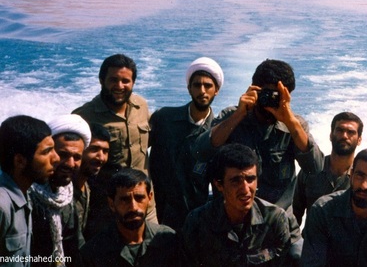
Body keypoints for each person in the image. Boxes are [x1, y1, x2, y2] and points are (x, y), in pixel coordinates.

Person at [193, 59, 323, 209]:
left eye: (277, 96)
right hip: (233, 214)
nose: (271, 101)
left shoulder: (295, 126)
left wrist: (290, 122)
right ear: (254, 89)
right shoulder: (231, 117)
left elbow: (315, 167)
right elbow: (200, 152)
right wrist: (238, 115)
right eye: (266, 94)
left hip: (276, 217)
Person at [72, 53, 156, 223]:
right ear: (101, 80)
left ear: (133, 83)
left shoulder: (141, 106)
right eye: (113, 80)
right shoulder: (84, 116)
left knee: (154, 240)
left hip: (145, 205)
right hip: (107, 209)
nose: (119, 86)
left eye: (125, 81)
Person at [181, 143, 293, 267]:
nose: (245, 189)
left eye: (250, 179)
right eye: (235, 181)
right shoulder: (197, 223)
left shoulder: (274, 220)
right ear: (219, 185)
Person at [149, 57, 223, 230]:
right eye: (197, 85)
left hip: (197, 219)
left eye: (208, 86)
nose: (202, 91)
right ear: (189, 88)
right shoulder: (164, 118)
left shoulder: (218, 132)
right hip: (158, 214)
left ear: (216, 90)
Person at [80, 168, 177, 267]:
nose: (133, 207)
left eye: (139, 198)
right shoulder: (94, 252)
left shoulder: (168, 240)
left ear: (149, 198)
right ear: (112, 203)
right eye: (125, 200)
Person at [30, 114, 91, 266]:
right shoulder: (26, 192)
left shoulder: (66, 195)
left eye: (77, 157)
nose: (70, 163)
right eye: (63, 155)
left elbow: (76, 245)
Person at [0, 115, 59, 267]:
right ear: (20, 161)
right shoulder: (3, 205)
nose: (56, 158)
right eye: (46, 152)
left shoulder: (25, 193)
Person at [292, 112, 363, 225]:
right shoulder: (310, 170)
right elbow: (294, 214)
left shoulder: (363, 178)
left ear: (359, 140)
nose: (344, 136)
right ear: (331, 135)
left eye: (351, 132)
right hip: (312, 236)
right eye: (339, 130)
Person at [73, 123, 110, 242]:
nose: (101, 158)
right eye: (94, 149)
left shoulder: (88, 188)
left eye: (105, 151)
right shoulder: (63, 191)